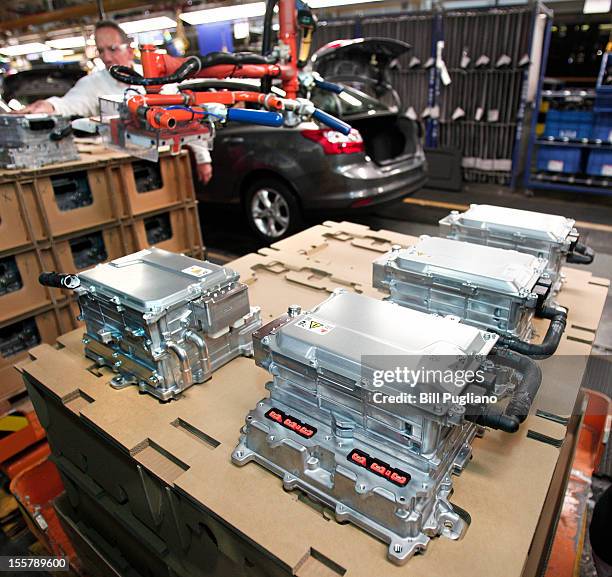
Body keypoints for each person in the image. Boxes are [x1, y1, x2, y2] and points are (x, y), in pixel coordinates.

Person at [20, 20, 212, 184]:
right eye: (101, 51)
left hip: (167, 161)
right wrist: (49, 106)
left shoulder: (154, 78)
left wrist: (203, 158)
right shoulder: (93, 84)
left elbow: (187, 118)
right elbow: (71, 103)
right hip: (123, 171)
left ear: (129, 50)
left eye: (112, 49)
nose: (106, 57)